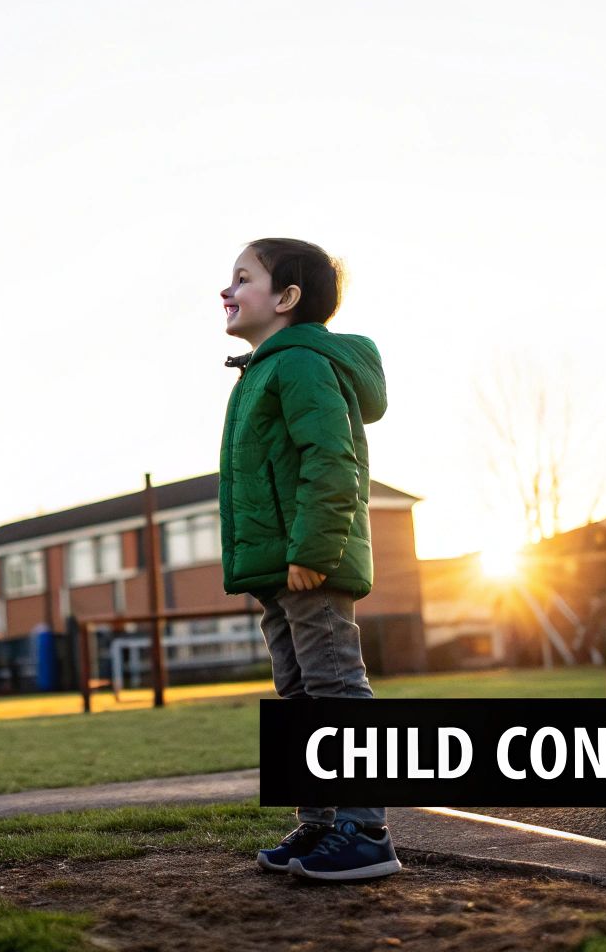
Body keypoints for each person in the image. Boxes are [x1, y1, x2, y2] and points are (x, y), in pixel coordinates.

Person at [217, 238, 401, 881]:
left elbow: (332, 461)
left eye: (243, 278)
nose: (227, 290)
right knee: (298, 690)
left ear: (287, 298)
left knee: (334, 686)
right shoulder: (263, 369)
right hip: (280, 569)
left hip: (309, 562)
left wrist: (314, 551)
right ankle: (321, 821)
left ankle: (365, 829)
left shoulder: (300, 365)